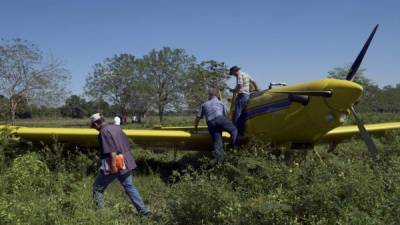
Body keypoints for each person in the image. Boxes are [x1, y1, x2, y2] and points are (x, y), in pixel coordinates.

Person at [90, 113, 150, 216]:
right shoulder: (116, 127)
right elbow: (126, 143)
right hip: (126, 161)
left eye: (93, 126)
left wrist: (113, 167)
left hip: (115, 163)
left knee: (97, 188)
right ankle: (143, 211)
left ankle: (101, 214)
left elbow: (112, 151)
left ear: (96, 123)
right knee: (129, 186)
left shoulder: (103, 132)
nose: (94, 128)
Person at [194, 89, 238, 165]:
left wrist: (195, 129)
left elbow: (197, 118)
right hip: (220, 119)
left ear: (209, 95)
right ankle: (233, 149)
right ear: (216, 95)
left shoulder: (204, 104)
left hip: (210, 123)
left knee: (218, 143)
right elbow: (225, 116)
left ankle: (220, 163)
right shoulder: (221, 103)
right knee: (234, 130)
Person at [229, 66, 258, 135]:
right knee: (242, 114)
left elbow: (240, 84)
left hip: (242, 95)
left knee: (236, 114)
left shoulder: (239, 75)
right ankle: (242, 131)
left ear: (234, 71)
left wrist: (234, 90)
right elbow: (253, 81)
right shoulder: (246, 74)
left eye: (232, 73)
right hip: (247, 95)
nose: (233, 75)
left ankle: (236, 132)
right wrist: (256, 89)